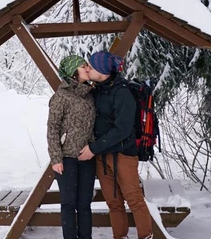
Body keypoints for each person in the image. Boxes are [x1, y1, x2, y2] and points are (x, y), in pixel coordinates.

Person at [77, 50, 154, 239]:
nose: (88, 68)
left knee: (134, 200)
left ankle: (146, 236)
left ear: (102, 71)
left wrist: (94, 148)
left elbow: (123, 129)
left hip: (123, 155)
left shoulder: (122, 93)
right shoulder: (97, 89)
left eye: (91, 66)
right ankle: (120, 236)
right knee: (113, 203)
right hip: (102, 157)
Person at [47, 54, 96, 239]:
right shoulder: (61, 96)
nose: (87, 68)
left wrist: (92, 147)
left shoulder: (90, 94)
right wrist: (56, 159)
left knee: (84, 204)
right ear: (74, 71)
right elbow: (52, 128)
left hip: (87, 157)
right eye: (83, 66)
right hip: (66, 159)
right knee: (68, 204)